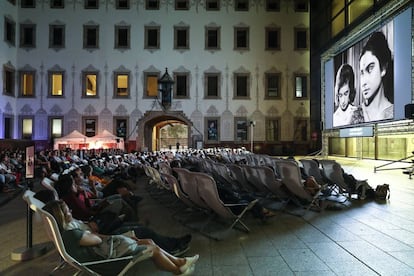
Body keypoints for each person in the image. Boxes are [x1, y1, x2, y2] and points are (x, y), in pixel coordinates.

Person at [43, 200, 199, 275]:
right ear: (62, 215)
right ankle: (178, 270)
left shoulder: (65, 234)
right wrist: (91, 234)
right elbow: (97, 239)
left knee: (149, 242)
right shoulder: (73, 235)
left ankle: (180, 262)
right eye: (67, 210)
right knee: (152, 249)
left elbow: (95, 238)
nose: (70, 210)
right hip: (108, 262)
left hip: (103, 254)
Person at [359, 31, 393, 122]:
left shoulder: (394, 112)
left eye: (370, 69)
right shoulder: (355, 114)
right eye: (362, 73)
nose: (364, 82)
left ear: (383, 69)